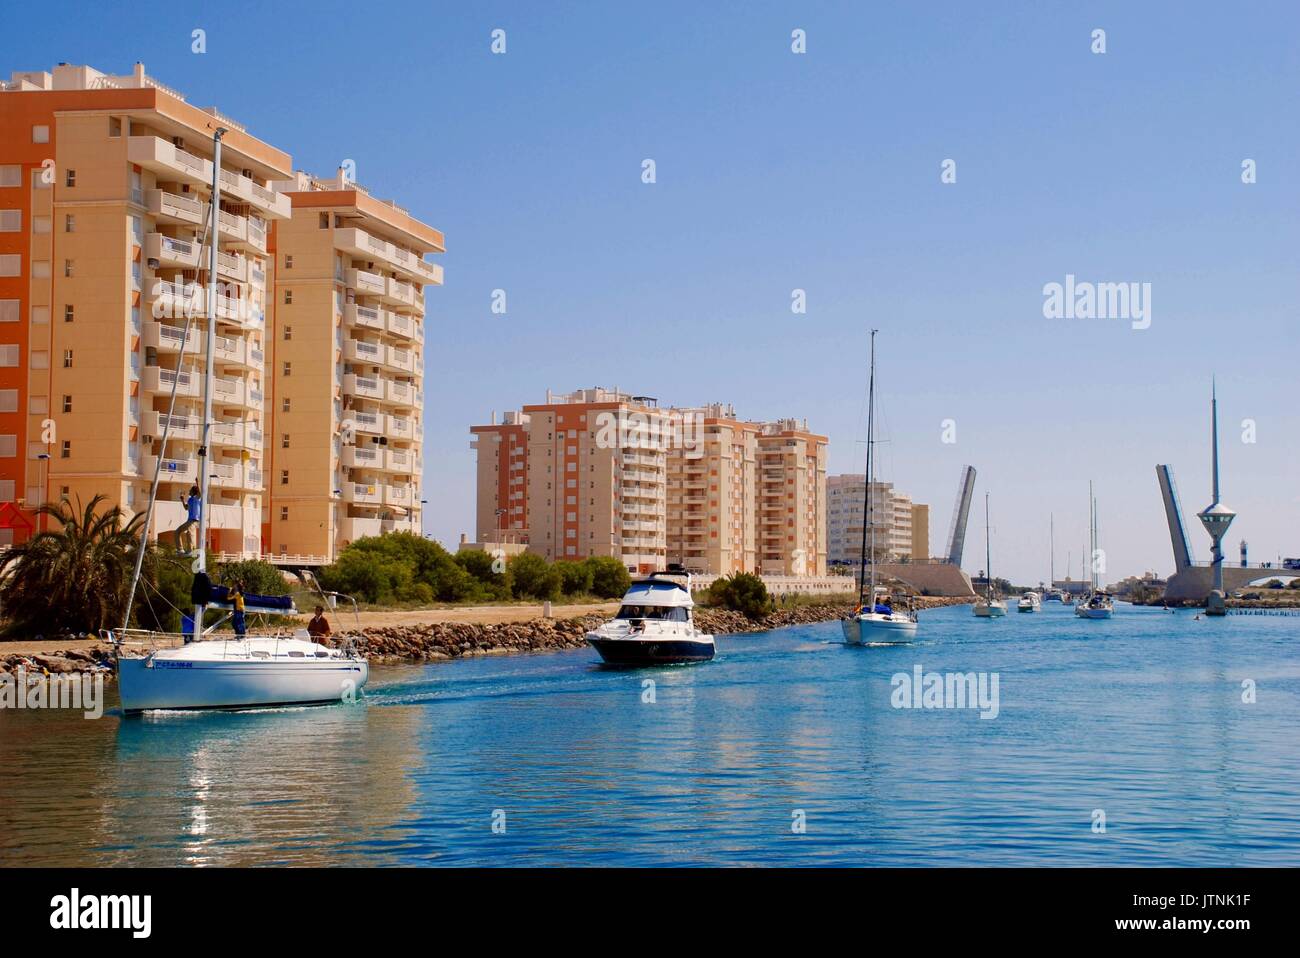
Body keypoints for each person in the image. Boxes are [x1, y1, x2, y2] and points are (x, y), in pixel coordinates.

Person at [176, 485, 201, 554]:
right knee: (177, 531)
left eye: (190, 490)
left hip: (195, 520)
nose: (189, 491)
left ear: (194, 492)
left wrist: (197, 482)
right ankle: (180, 549)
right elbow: (186, 508)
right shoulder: (190, 499)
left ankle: (190, 551)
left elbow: (200, 492)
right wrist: (183, 500)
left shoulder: (197, 498)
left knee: (189, 533)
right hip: (189, 520)